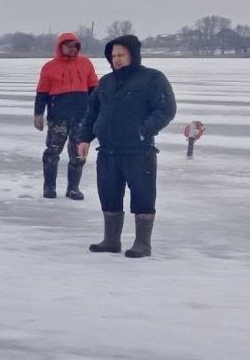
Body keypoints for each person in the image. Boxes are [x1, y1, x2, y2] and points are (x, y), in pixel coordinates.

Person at [76, 35, 177, 259]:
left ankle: (143, 243)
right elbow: (92, 112)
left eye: (121, 55)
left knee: (143, 195)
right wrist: (84, 138)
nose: (117, 60)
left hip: (139, 151)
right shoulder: (106, 82)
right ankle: (111, 241)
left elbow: (166, 109)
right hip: (108, 150)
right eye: (113, 56)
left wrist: (144, 130)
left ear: (133, 54)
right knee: (109, 194)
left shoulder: (153, 79)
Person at [33, 32, 98, 199]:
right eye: (68, 45)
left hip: (82, 117)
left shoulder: (85, 64)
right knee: (52, 152)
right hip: (58, 117)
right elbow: (42, 92)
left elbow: (94, 90)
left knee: (78, 154)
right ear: (60, 47)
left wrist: (98, 112)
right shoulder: (49, 67)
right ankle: (49, 187)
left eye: (75, 46)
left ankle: (73, 188)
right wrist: (38, 114)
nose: (72, 49)